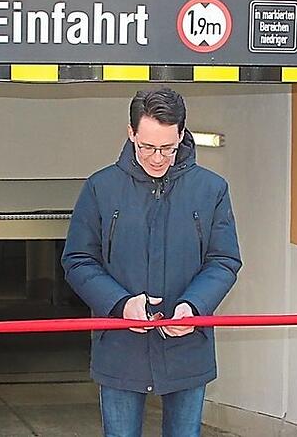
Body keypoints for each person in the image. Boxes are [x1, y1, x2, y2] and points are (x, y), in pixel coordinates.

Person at [62, 88, 242, 437]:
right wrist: (120, 304)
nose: (158, 158)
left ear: (181, 135)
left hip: (188, 345)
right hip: (119, 346)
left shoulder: (212, 189)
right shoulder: (100, 188)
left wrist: (194, 306)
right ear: (131, 134)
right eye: (147, 147)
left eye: (168, 148)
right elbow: (79, 260)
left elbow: (224, 260)